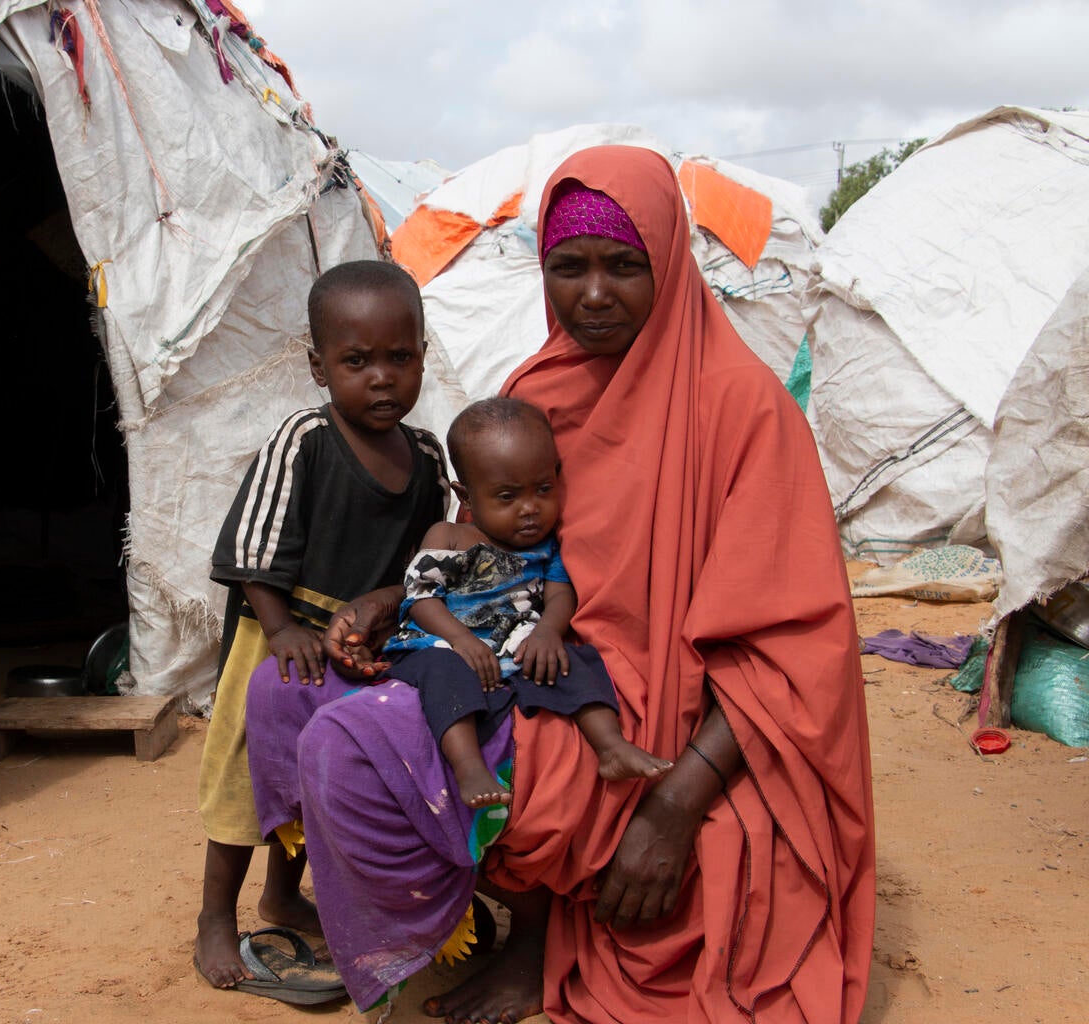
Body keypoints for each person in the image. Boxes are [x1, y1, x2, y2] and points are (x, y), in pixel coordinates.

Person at [288, 145, 876, 1023]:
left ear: (669, 263)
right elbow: (478, 540)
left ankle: (535, 930)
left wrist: (676, 805)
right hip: (536, 667)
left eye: (623, 266)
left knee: (435, 755)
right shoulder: (539, 392)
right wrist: (382, 602)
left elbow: (793, 651)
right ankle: (526, 926)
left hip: (675, 725)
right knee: (310, 710)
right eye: (568, 267)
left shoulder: (743, 409)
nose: (593, 293)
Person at [193, 260, 450, 999]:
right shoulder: (304, 439)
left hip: (362, 651)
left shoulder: (427, 456)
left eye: (399, 358)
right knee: (247, 773)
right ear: (318, 365)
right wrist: (279, 631)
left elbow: (428, 559)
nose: (381, 379)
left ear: (423, 357)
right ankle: (216, 915)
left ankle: (281, 897)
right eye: (356, 361)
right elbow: (249, 551)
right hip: (279, 638)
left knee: (323, 772)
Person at [377, 397, 671, 808]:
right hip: (442, 642)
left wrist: (550, 630)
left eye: (544, 489)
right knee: (442, 676)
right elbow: (422, 596)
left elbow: (559, 592)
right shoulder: (447, 536)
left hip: (515, 639)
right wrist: (461, 640)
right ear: (467, 496)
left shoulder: (547, 546)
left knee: (574, 660)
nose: (530, 508)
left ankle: (610, 746)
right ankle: (468, 767)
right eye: (507, 497)